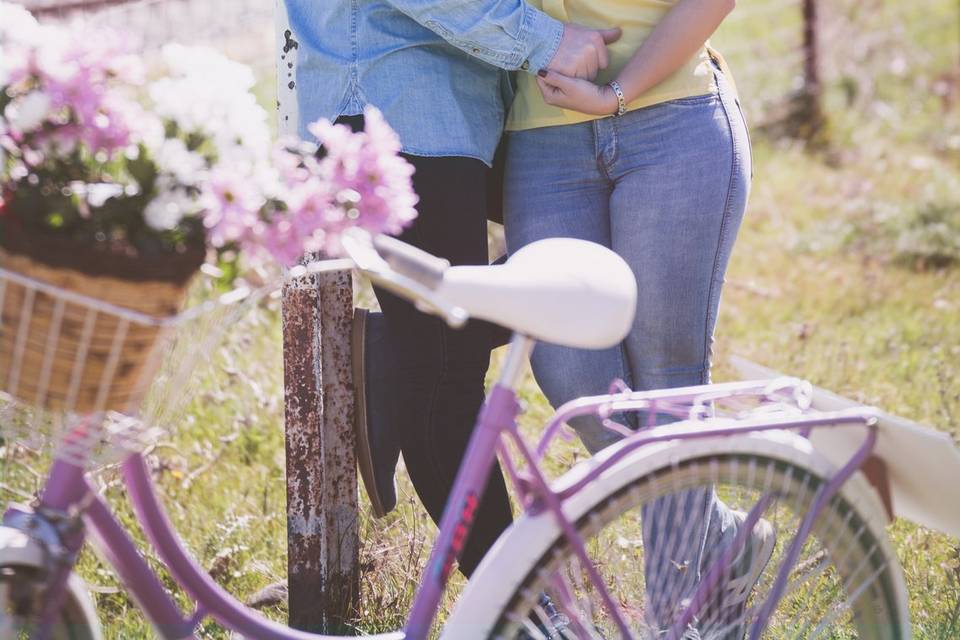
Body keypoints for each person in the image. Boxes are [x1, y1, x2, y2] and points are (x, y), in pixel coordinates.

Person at [281, 0, 620, 579]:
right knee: (445, 378)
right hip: (396, 107)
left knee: (590, 257)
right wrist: (543, 39)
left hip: (457, 108)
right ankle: (516, 607)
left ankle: (397, 346)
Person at [500, 0, 774, 636]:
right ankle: (720, 535)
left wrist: (616, 93)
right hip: (541, 137)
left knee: (668, 375)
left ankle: (681, 619)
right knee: (572, 372)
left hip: (674, 117)